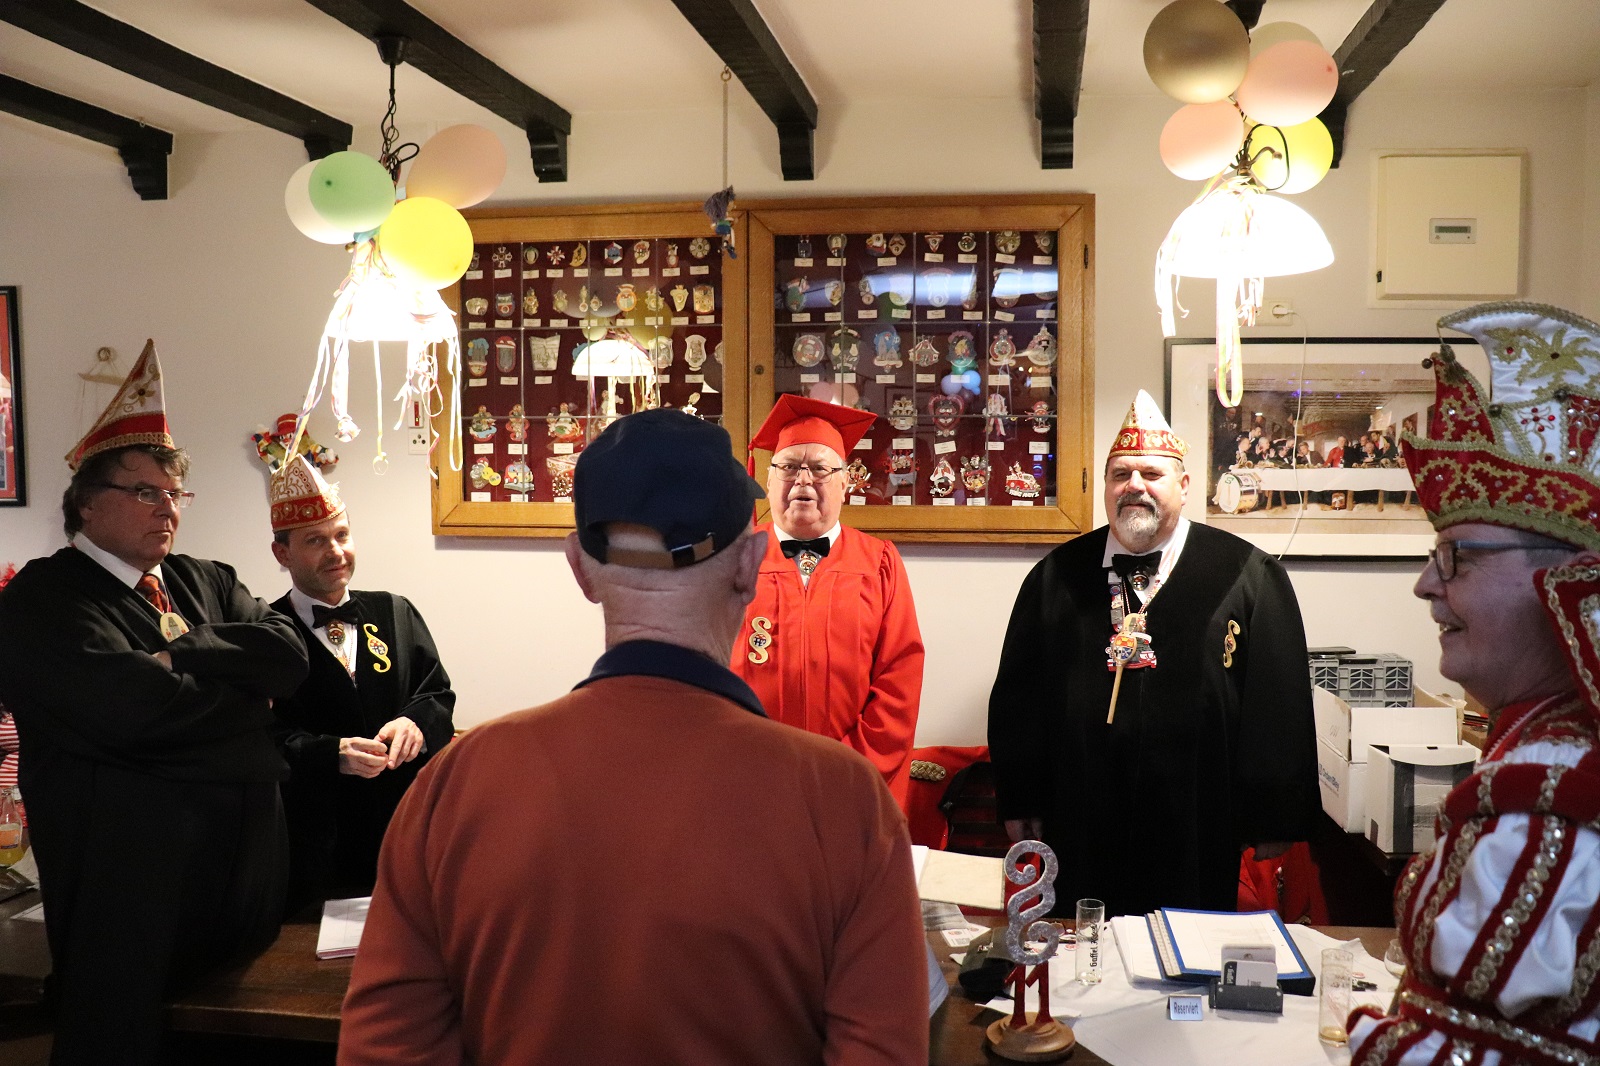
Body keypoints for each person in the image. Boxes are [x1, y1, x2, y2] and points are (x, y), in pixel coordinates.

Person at [339, 409, 928, 1064]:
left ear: (580, 568)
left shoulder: (453, 786)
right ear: (750, 563)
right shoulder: (846, 802)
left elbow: (385, 1049)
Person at [0, 341, 307, 1066]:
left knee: (242, 1029)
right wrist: (247, 710)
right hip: (131, 884)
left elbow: (290, 659)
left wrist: (184, 656)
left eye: (175, 495)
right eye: (146, 493)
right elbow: (131, 713)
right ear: (86, 505)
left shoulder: (206, 578)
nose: (167, 510)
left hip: (244, 873)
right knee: (131, 1037)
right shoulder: (42, 601)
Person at [1349, 303, 1600, 1064]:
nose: (1427, 585)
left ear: (1566, 579)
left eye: (1457, 557)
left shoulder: (1556, 791)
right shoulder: (1543, 752)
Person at [987, 390, 1319, 917]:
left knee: (1186, 961)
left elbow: (1276, 702)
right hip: (1081, 812)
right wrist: (1021, 794)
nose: (1134, 486)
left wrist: (1272, 815)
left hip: (1195, 815)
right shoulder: (1054, 577)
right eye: (1120, 474)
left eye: (1151, 474)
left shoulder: (1248, 575)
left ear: (1184, 486)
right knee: (1083, 954)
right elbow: (1018, 695)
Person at [266, 454, 455, 910]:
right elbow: (262, 737)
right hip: (316, 847)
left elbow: (438, 694)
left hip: (406, 831)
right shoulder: (264, 631)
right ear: (282, 553)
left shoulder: (396, 610)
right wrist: (330, 754)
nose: (336, 552)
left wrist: (415, 723)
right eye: (316, 540)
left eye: (342, 535)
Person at [729, 394, 925, 809]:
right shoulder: (733, 561)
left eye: (820, 469)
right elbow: (708, 675)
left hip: (853, 788)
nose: (803, 481)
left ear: (845, 482)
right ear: (767, 480)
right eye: (788, 468)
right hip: (749, 785)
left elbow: (900, 679)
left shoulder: (879, 562)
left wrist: (845, 770)